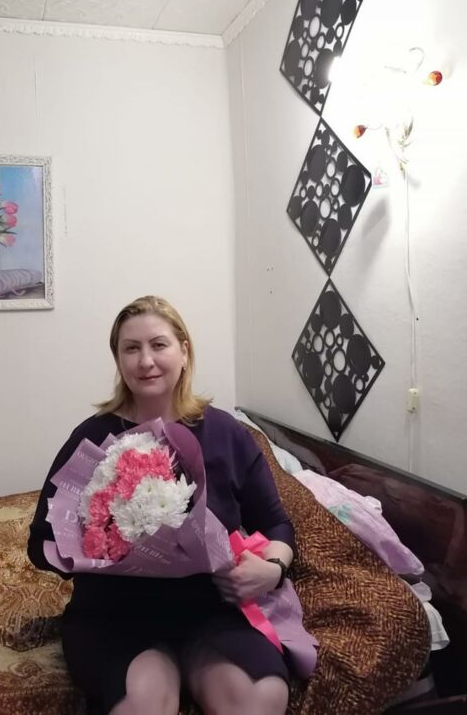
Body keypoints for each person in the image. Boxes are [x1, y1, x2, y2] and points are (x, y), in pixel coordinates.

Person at [28, 295, 295, 715]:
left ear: (184, 351)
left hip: (210, 609)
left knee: (263, 697)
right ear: (118, 360)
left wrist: (272, 570)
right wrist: (99, 549)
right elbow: (40, 543)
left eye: (158, 345)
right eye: (131, 348)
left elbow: (277, 524)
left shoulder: (227, 433)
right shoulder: (92, 438)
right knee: (145, 705)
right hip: (115, 614)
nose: (146, 361)